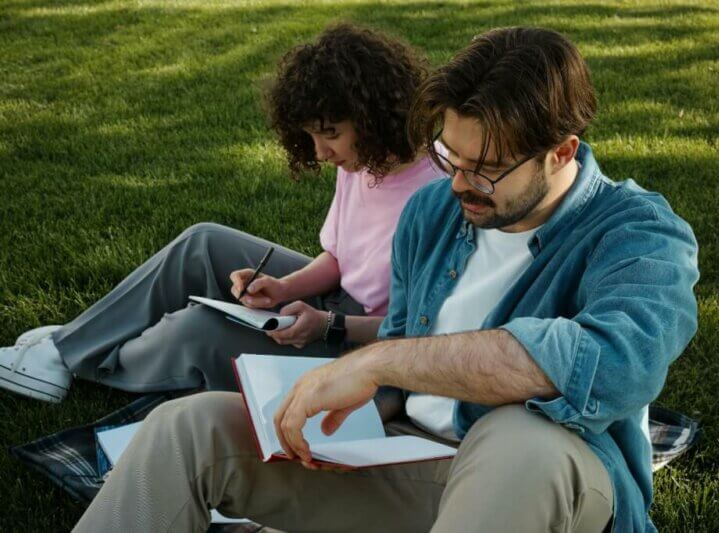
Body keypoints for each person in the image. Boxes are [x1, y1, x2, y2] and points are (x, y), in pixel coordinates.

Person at [74, 27, 699, 532]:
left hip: (553, 484)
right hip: (411, 463)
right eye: (449, 157)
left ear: (561, 151)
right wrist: (346, 417)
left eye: (484, 170)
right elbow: (401, 360)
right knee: (187, 429)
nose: (457, 184)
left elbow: (610, 363)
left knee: (519, 436)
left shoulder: (641, 236)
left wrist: (378, 361)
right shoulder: (433, 212)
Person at [0, 24, 437, 404]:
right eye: (311, 136)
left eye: (330, 135)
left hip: (366, 348)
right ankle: (65, 349)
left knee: (198, 330)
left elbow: (423, 328)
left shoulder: (436, 193)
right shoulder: (364, 163)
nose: (320, 153)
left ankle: (84, 359)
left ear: (373, 117)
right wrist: (282, 287)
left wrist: (328, 326)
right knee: (202, 242)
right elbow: (339, 260)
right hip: (333, 308)